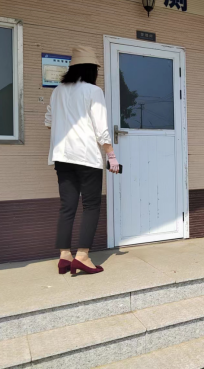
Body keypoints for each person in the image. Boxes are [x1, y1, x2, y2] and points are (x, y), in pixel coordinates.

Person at [45, 46, 120, 275]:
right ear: (91, 70)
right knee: (91, 206)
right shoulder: (93, 91)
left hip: (62, 156)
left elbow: (48, 121)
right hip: (86, 157)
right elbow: (101, 128)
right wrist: (111, 155)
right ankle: (83, 256)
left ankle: (64, 257)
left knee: (67, 206)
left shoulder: (57, 91)